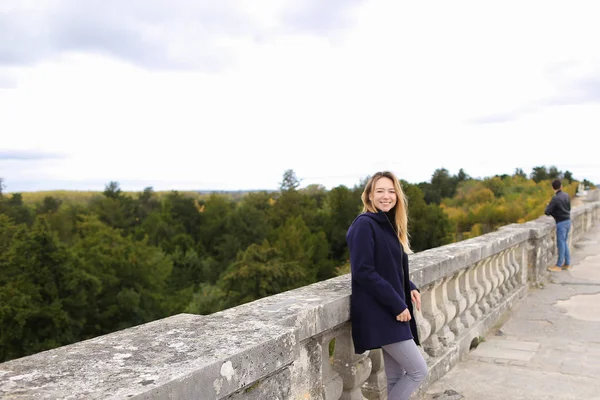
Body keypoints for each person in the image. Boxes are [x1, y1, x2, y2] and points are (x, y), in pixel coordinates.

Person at [346, 171, 428, 400]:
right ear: (369, 196)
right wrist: (397, 305)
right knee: (418, 371)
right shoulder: (364, 224)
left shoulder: (387, 224)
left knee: (396, 376)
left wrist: (408, 285)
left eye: (391, 191)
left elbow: (389, 265)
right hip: (382, 312)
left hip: (390, 309)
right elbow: (364, 271)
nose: (386, 196)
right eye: (380, 191)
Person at [545, 179, 572, 272]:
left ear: (553, 187)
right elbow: (569, 208)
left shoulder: (555, 198)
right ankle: (567, 264)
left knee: (561, 244)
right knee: (564, 243)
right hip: (568, 221)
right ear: (561, 186)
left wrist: (548, 206)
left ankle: (558, 265)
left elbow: (547, 212)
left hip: (561, 222)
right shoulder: (566, 195)